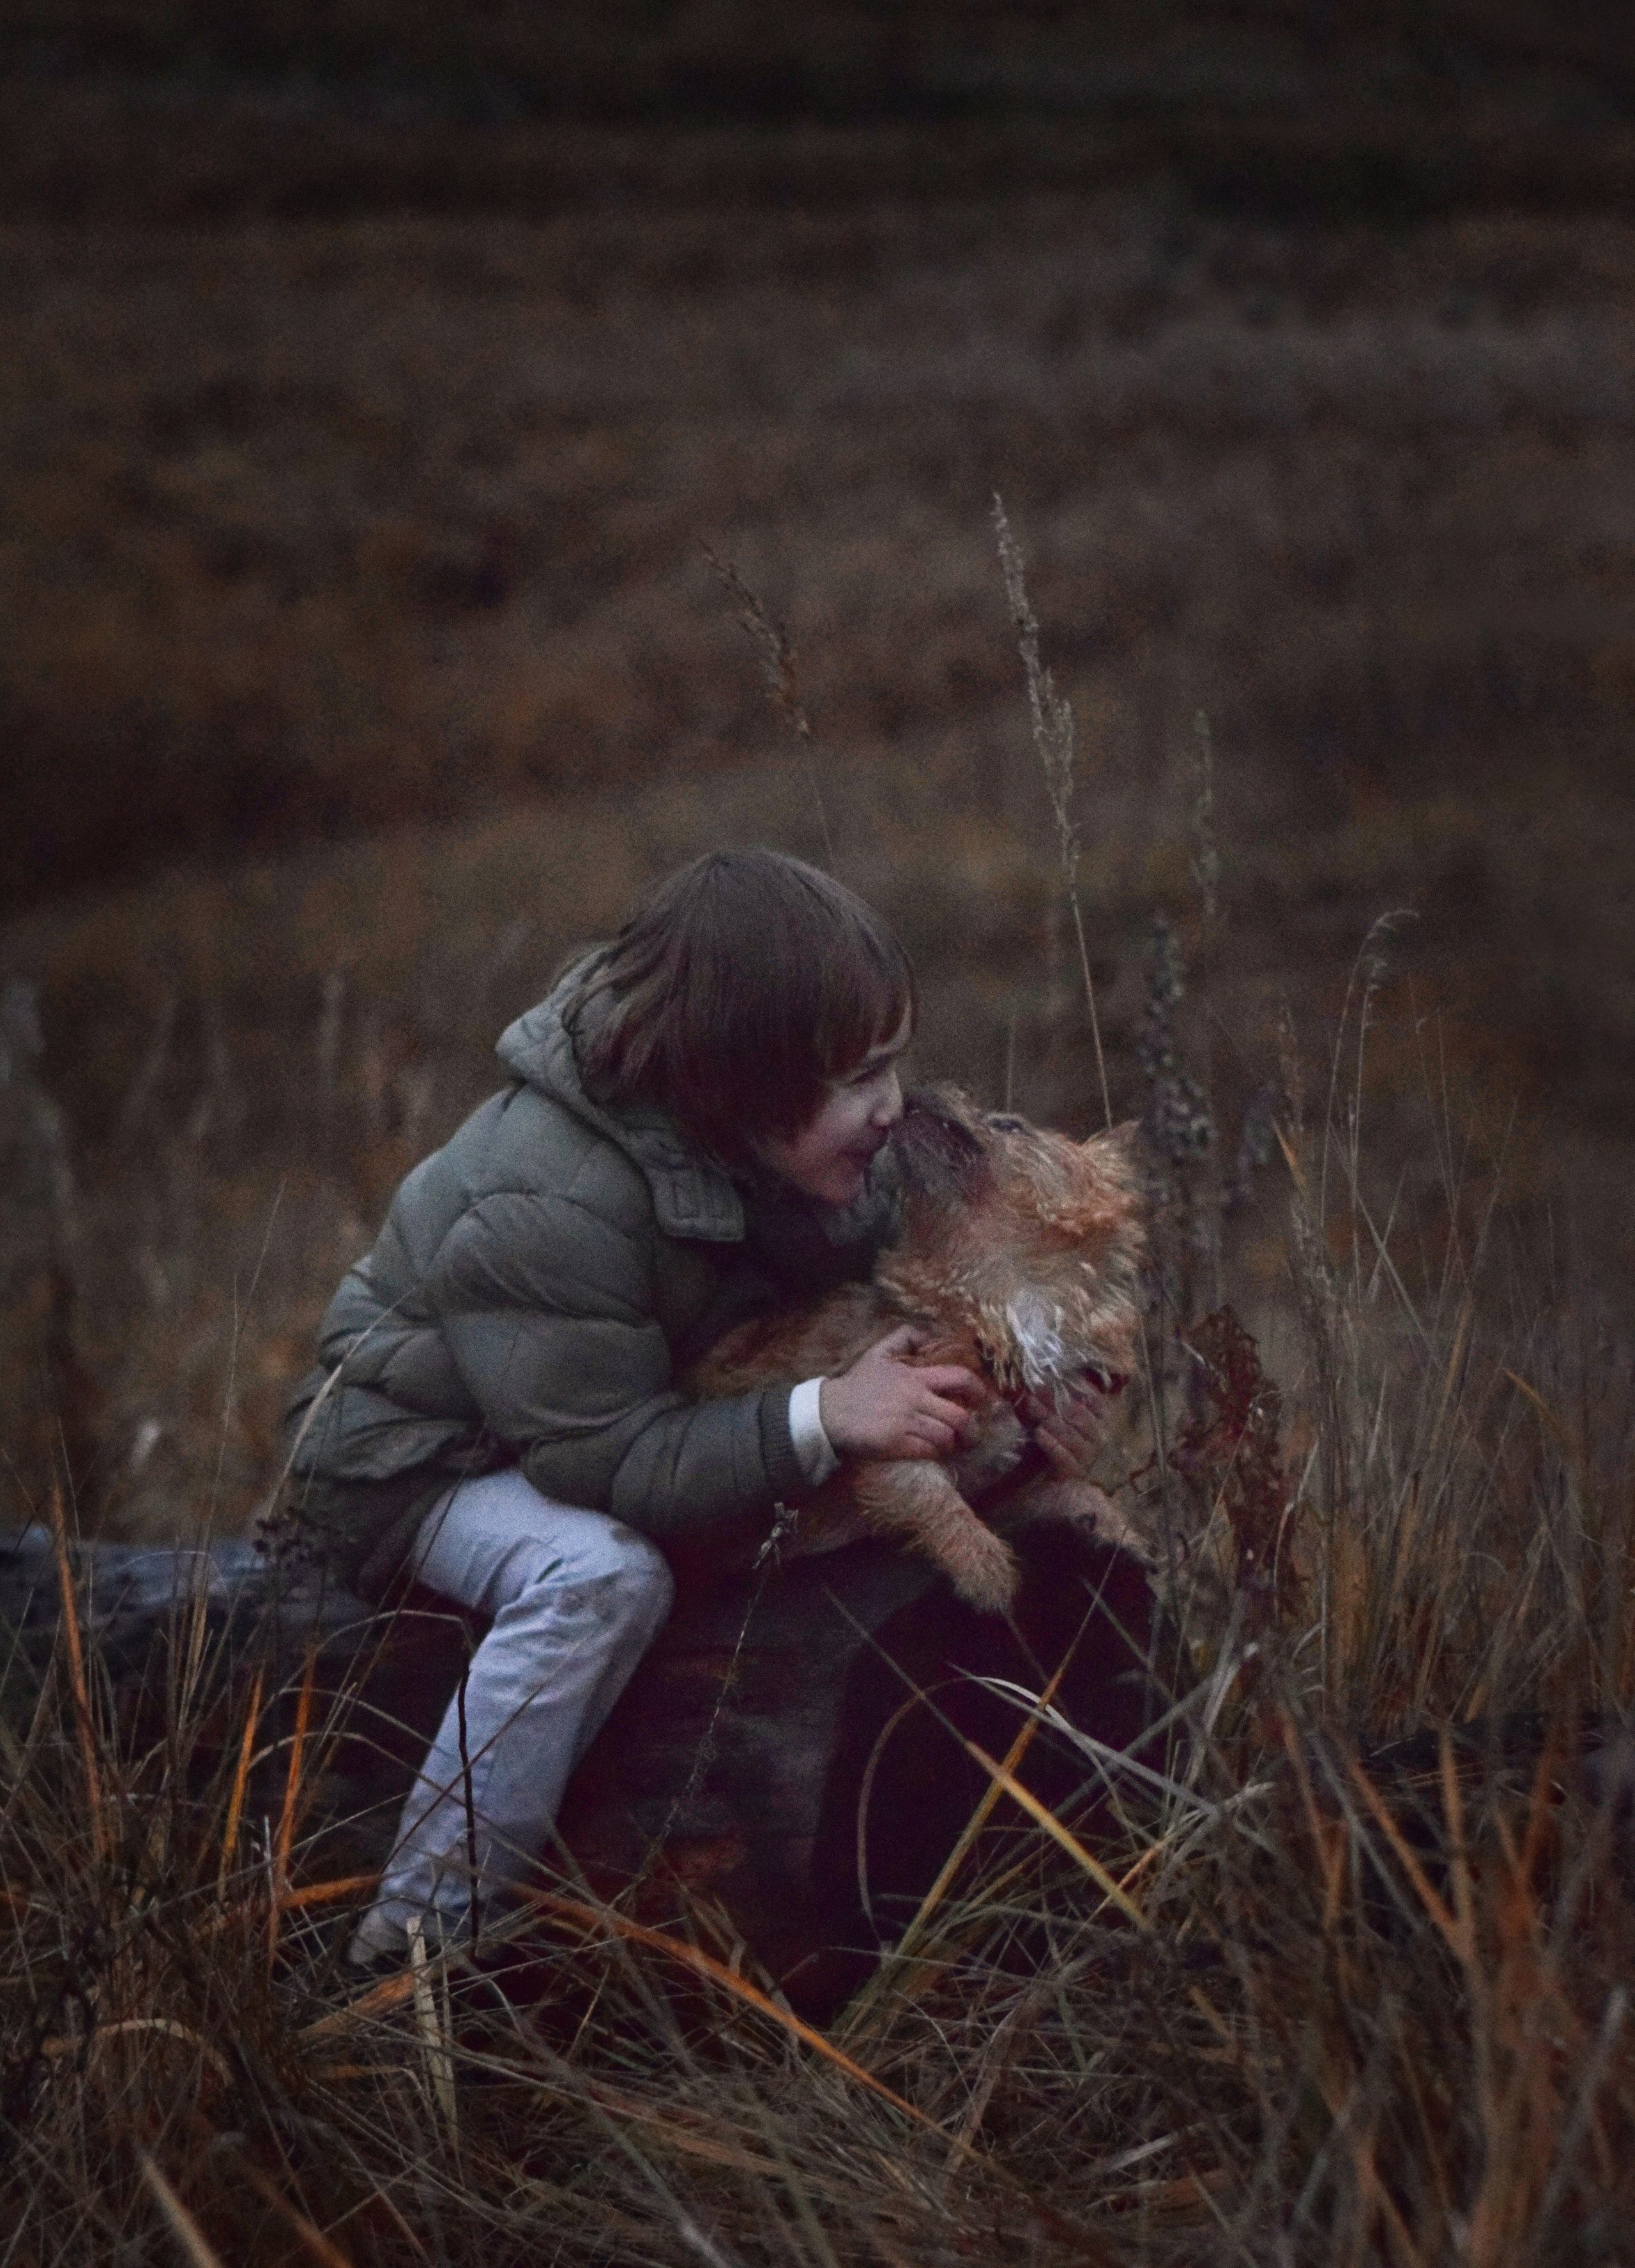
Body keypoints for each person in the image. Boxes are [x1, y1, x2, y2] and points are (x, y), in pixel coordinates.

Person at [276, 849, 1102, 1967]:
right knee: (602, 1577)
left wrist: (1019, 1401)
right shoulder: (550, 1197)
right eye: (858, 1078)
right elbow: (605, 1463)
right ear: (738, 1092)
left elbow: (886, 1283)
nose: (890, 1106)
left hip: (591, 1418)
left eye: (893, 1062)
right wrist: (824, 1416)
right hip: (418, 1457)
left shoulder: (788, 1154)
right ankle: (414, 1948)